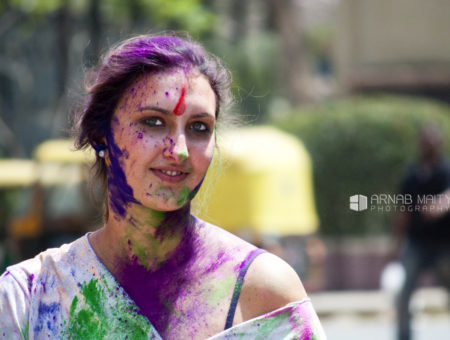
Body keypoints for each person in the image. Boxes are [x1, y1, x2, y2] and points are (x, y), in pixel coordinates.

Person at [0, 34, 326, 339]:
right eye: (153, 122)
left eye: (199, 127)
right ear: (102, 135)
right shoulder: (28, 296)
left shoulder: (264, 291)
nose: (179, 150)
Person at [393, 124, 450, 340]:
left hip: (444, 244)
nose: (430, 145)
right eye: (426, 141)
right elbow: (403, 211)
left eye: (433, 141)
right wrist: (396, 244)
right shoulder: (413, 174)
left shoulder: (446, 170)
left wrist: (440, 205)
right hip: (417, 243)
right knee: (405, 292)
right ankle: (404, 336)